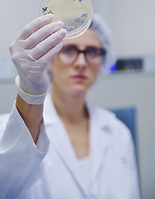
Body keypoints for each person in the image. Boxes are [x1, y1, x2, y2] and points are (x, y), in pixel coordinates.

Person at [0, 13, 140, 199]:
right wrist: (30, 91)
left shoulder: (118, 132)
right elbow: (6, 186)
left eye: (92, 52)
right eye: (69, 50)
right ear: (50, 57)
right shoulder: (7, 131)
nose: (81, 63)